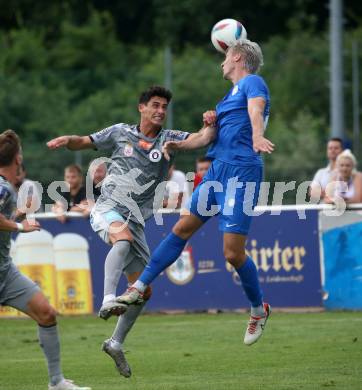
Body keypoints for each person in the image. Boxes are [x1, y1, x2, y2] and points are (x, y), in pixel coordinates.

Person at [47, 85, 214, 377]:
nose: (161, 111)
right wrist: (67, 140)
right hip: (108, 206)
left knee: (142, 291)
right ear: (142, 108)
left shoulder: (169, 139)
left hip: (137, 221)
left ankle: (115, 342)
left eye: (164, 107)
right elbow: (84, 141)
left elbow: (201, 139)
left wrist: (211, 122)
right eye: (156, 105)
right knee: (120, 239)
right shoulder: (119, 132)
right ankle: (108, 298)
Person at [117, 39, 274, 347]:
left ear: (239, 57)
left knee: (231, 253)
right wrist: (178, 145)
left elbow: (256, 111)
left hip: (242, 172)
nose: (222, 62)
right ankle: (139, 287)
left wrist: (257, 135)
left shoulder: (253, 82)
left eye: (226, 56)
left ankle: (258, 309)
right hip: (217, 172)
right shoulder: (226, 99)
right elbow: (206, 137)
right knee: (181, 227)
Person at [0, 130, 90, 390]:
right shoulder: (4, 187)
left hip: (5, 273)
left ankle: (56, 382)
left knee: (46, 313)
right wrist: (19, 228)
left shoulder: (6, 189)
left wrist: (18, 216)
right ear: (18, 159)